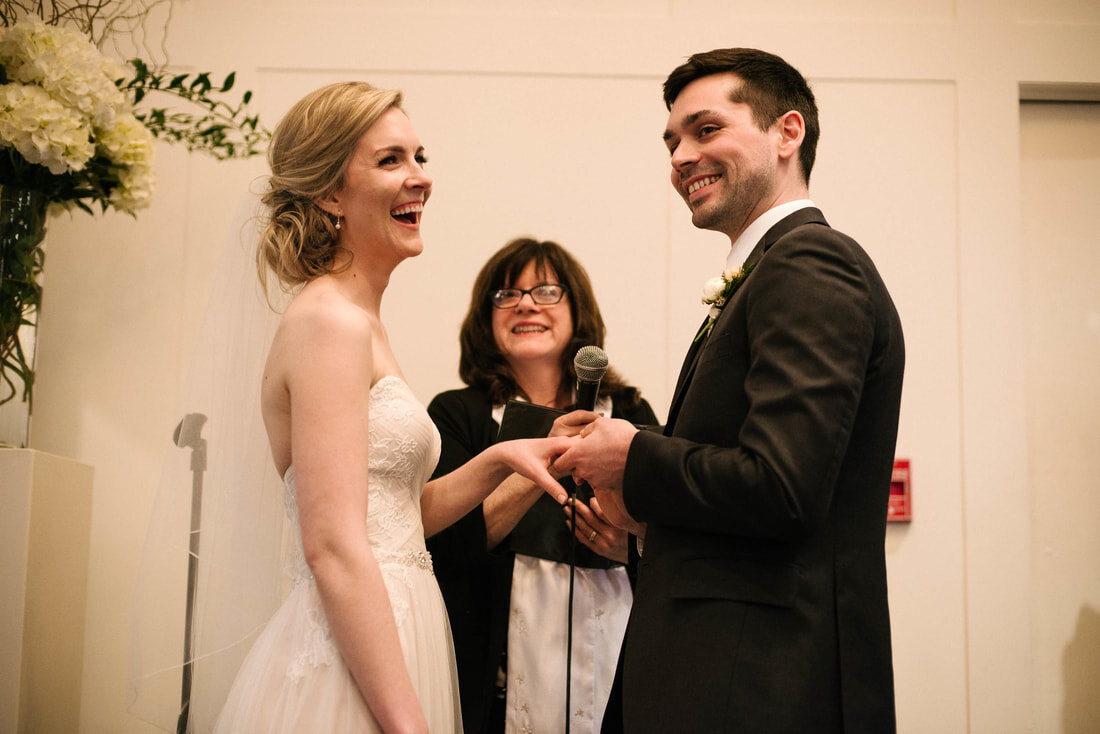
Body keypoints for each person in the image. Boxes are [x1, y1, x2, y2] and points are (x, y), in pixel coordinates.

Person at [555, 48, 905, 733]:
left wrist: (636, 456)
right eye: (672, 141)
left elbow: (783, 487)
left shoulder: (810, 261)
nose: (682, 156)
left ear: (787, 133)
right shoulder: (769, 272)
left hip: (765, 683)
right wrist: (646, 522)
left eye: (706, 129)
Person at [212, 82, 573, 734]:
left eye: (420, 156)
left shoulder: (362, 323)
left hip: (401, 628)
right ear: (330, 193)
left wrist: (502, 459)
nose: (421, 179)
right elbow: (332, 545)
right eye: (391, 161)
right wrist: (407, 723)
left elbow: (397, 518)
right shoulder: (329, 323)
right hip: (351, 656)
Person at [425, 237, 657, 734]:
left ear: (578, 311)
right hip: (497, 665)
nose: (526, 303)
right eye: (507, 294)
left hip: (615, 650)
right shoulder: (456, 415)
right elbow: (443, 543)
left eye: (547, 291)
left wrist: (628, 545)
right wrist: (544, 459)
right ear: (486, 320)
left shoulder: (631, 413)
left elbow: (670, 535)